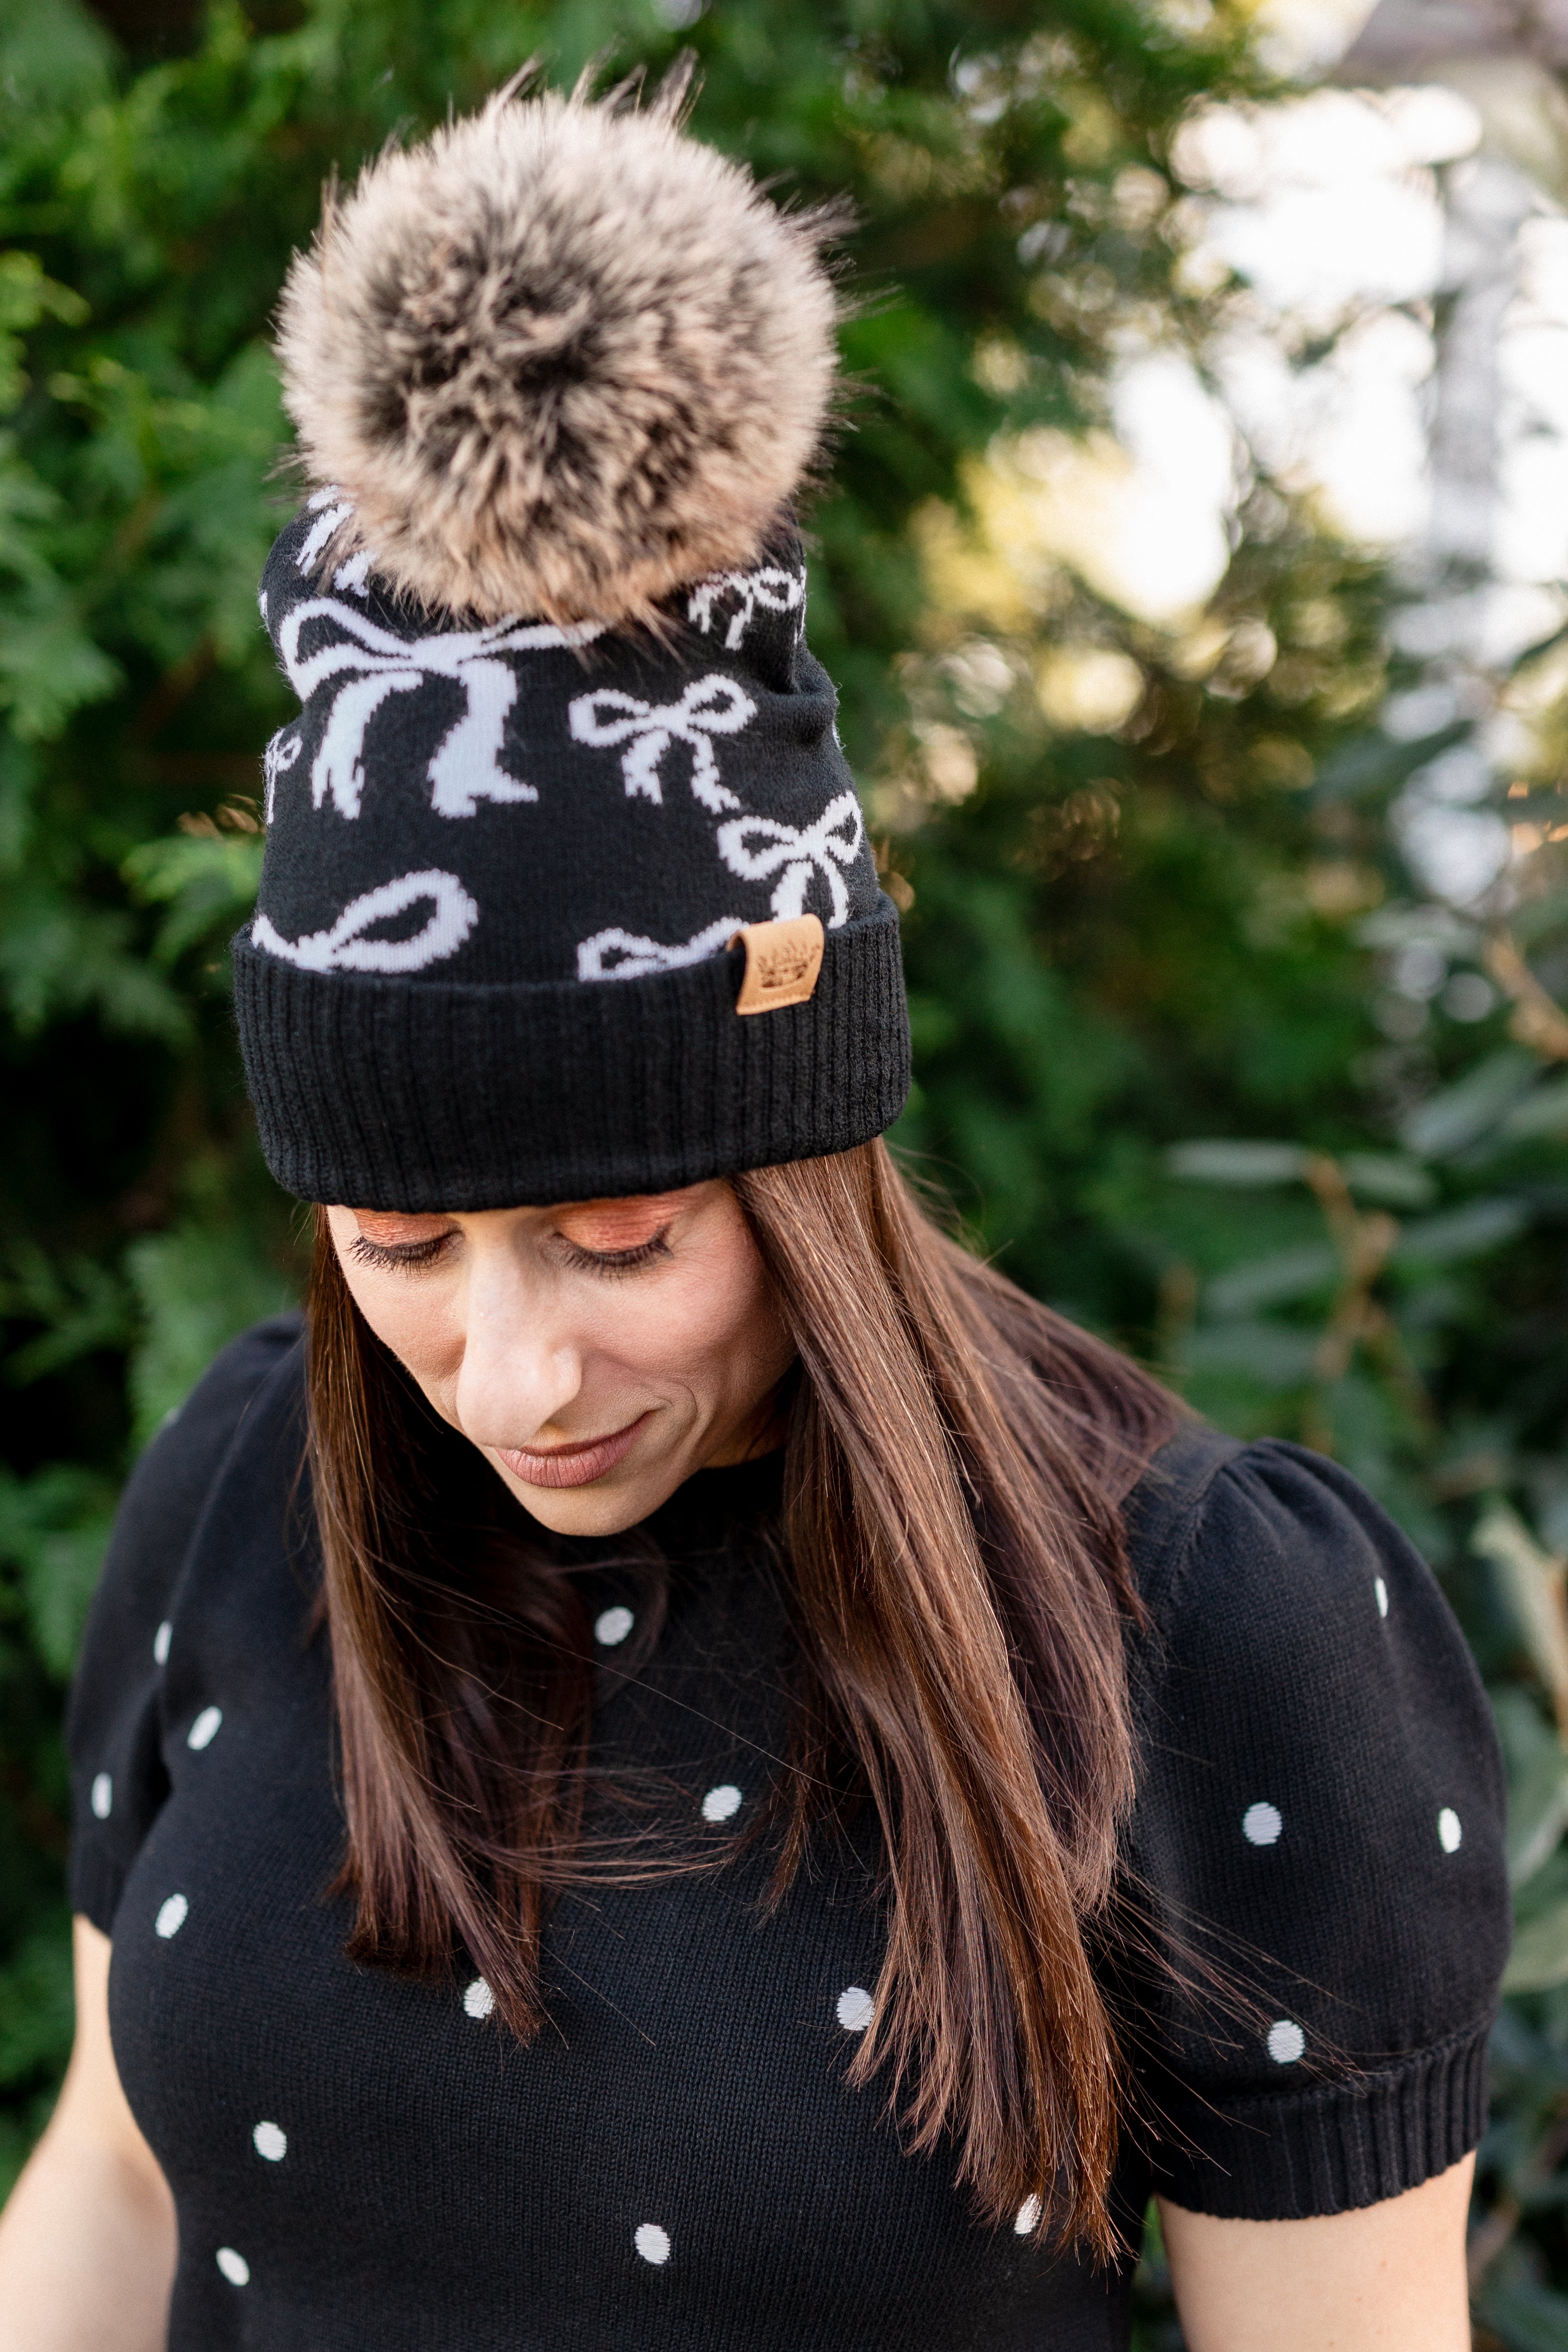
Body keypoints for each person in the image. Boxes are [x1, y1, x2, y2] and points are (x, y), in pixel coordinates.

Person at [0, 69, 1508, 2352]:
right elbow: (110, 2187)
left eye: (617, 1238)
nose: (507, 1374)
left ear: (806, 1167)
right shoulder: (246, 1483)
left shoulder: (1208, 1629)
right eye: (398, 1245)